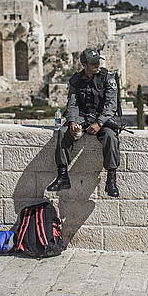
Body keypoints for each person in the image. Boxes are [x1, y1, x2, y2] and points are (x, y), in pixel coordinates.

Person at [47, 48, 121, 197]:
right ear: (84, 64)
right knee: (63, 132)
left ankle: (111, 180)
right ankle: (62, 176)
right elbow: (72, 104)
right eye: (93, 63)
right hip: (84, 117)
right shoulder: (76, 80)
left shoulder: (108, 78)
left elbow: (111, 105)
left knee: (110, 137)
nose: (98, 65)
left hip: (103, 119)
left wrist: (99, 123)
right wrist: (73, 121)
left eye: (98, 61)